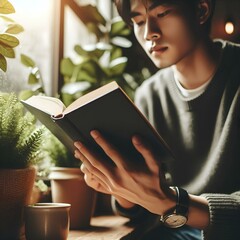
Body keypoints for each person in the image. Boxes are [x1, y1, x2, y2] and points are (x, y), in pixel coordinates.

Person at [74, 0, 240, 239]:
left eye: (161, 13)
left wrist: (171, 202)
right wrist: (120, 187)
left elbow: (163, 202)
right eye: (139, 21)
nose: (149, 32)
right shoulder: (149, 95)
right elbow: (147, 210)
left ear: (201, 10)